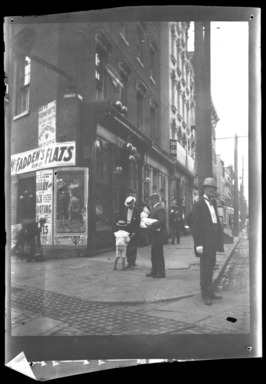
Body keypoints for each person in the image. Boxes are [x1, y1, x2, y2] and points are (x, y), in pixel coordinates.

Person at [191, 177, 224, 305]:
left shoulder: (213, 203)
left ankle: (210, 291)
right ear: (204, 189)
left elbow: (214, 220)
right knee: (205, 267)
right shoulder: (199, 204)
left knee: (211, 266)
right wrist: (198, 243)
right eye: (210, 188)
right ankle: (205, 294)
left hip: (213, 240)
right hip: (204, 241)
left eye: (213, 188)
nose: (212, 190)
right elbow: (195, 225)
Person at [145, 194, 168, 278]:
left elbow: (162, 221)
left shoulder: (160, 208)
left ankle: (161, 273)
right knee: (154, 254)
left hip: (158, 235)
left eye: (150, 200)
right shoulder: (156, 208)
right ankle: (154, 271)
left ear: (154, 200)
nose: (149, 202)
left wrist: (151, 225)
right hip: (155, 236)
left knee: (158, 254)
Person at [123, 196, 140, 269]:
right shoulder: (125, 210)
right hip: (127, 230)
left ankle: (132, 262)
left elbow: (137, 223)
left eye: (130, 206)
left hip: (133, 230)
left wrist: (134, 232)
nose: (129, 207)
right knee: (127, 247)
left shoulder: (137, 211)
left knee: (133, 247)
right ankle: (129, 262)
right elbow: (123, 220)